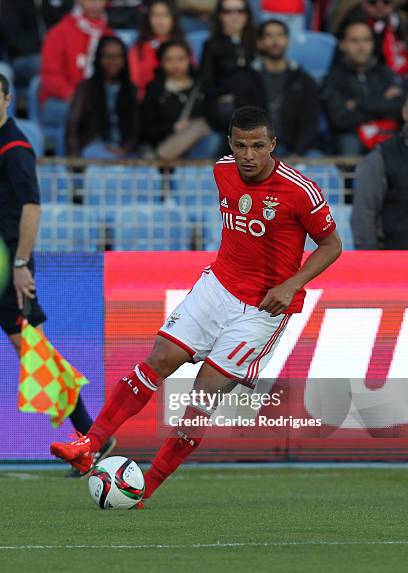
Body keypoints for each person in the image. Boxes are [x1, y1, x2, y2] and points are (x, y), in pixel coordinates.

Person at [51, 105, 342, 502]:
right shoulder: (222, 170)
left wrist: (292, 285)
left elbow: (332, 245)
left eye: (258, 145)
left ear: (273, 144)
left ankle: (148, 484)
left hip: (261, 311)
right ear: (230, 145)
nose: (249, 155)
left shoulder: (299, 191)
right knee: (158, 360)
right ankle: (89, 444)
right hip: (217, 288)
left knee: (203, 395)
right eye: (241, 145)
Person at [0, 74, 115, 476]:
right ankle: (91, 435)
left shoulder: (14, 149)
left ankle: (91, 436)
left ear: (8, 99)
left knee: (35, 354)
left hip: (8, 270)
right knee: (35, 354)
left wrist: (20, 266)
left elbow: (31, 207)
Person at [321, 21, 404, 155]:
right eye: (355, 40)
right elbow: (339, 119)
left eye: (366, 40)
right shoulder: (333, 79)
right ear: (343, 44)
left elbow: (398, 108)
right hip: (352, 137)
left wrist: (357, 103)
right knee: (349, 144)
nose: (361, 46)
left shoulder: (387, 74)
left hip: (387, 133)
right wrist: (382, 101)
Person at [40, 0, 112, 130]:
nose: (95, 3)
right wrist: (78, 98)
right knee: (88, 114)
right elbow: (50, 76)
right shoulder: (59, 32)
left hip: (94, 103)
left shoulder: (109, 35)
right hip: (59, 101)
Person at [65, 35, 140, 159]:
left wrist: (125, 148)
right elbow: (72, 125)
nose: (113, 61)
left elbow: (136, 128)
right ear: (98, 58)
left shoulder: (132, 89)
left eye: (118, 57)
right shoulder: (86, 87)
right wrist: (74, 160)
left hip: (126, 150)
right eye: (107, 56)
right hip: (94, 147)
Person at [254, 19, 320, 156]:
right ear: (259, 43)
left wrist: (297, 153)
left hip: (296, 148)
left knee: (316, 159)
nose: (275, 41)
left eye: (280, 35)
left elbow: (310, 124)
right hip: (257, 150)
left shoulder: (304, 80)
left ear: (288, 41)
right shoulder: (247, 79)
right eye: (269, 36)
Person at [141, 40, 217, 160]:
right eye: (169, 60)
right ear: (161, 62)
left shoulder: (202, 85)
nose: (175, 64)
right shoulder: (154, 89)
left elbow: (213, 117)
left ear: (189, 60)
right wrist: (173, 127)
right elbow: (146, 129)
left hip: (200, 146)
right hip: (167, 146)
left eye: (181, 59)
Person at [200, 0, 261, 146]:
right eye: (228, 11)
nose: (234, 16)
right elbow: (206, 84)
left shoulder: (259, 43)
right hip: (225, 112)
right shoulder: (212, 45)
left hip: (257, 108)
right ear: (220, 16)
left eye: (240, 11)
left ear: (247, 15)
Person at [351, 94, 408, 248]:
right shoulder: (381, 157)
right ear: (405, 112)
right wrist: (370, 262)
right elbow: (363, 214)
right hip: (396, 260)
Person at [128, 0, 188, 100]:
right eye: (155, 15)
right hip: (147, 103)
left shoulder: (183, 46)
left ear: (174, 17)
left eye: (165, 14)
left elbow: (189, 78)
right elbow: (134, 82)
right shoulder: (138, 48)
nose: (160, 20)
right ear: (148, 18)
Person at [334, 0, 408, 76]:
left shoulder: (398, 19)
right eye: (372, 2)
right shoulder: (355, 21)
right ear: (363, 2)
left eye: (386, 1)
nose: (380, 6)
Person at [0, 0, 41, 90]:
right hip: (15, 59)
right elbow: (14, 41)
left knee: (38, 82)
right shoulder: (9, 4)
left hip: (37, 55)